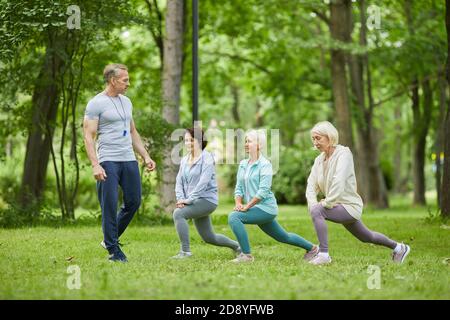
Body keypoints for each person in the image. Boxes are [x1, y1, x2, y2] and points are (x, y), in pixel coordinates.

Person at [305, 121, 411, 265]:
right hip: (337, 206)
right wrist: (312, 204)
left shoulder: (344, 154)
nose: (315, 142)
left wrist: (327, 202)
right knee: (367, 236)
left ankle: (324, 254)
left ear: (329, 137)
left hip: (349, 206)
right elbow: (311, 185)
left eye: (318, 138)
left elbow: (339, 180)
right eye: (313, 139)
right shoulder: (319, 160)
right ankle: (399, 248)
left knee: (319, 211)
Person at [83, 63, 156, 262]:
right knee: (109, 204)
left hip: (128, 158)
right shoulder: (96, 103)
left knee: (133, 201)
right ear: (112, 80)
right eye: (125, 80)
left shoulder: (127, 102)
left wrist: (145, 155)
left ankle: (109, 239)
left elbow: (132, 131)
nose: (128, 83)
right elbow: (88, 136)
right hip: (108, 160)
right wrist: (95, 164)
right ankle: (114, 250)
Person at [228, 129, 317, 263]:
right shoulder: (243, 164)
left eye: (249, 141)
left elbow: (263, 191)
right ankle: (313, 249)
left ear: (259, 145)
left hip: (266, 208)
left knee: (234, 217)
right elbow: (239, 187)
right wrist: (238, 203)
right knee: (283, 237)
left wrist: (247, 206)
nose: (246, 144)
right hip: (254, 208)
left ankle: (246, 255)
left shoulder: (265, 165)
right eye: (245, 141)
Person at [172, 128, 241, 259]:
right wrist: (181, 198)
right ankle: (238, 246)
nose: (187, 143)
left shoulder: (207, 158)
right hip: (191, 200)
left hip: (207, 200)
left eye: (191, 140)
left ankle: (185, 252)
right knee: (209, 237)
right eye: (186, 140)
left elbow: (203, 183)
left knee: (178, 213)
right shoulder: (184, 159)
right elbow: (178, 181)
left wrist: (189, 200)